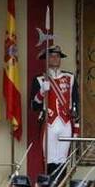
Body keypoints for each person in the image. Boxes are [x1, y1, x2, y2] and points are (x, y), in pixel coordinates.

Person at [30, 45, 80, 174]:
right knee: (50, 160)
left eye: (57, 56)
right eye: (52, 56)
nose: (55, 58)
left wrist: (76, 123)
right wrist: (42, 91)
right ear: (46, 59)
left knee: (63, 160)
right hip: (49, 122)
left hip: (65, 123)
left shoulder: (70, 77)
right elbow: (34, 105)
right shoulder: (39, 79)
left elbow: (76, 102)